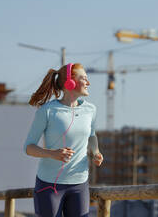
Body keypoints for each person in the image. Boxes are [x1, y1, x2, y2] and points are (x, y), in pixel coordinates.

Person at [23, 63, 103, 217]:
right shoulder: (47, 111)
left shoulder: (91, 110)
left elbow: (91, 135)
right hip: (49, 185)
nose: (89, 83)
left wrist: (95, 152)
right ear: (70, 82)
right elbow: (28, 147)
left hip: (79, 183)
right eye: (84, 78)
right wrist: (52, 153)